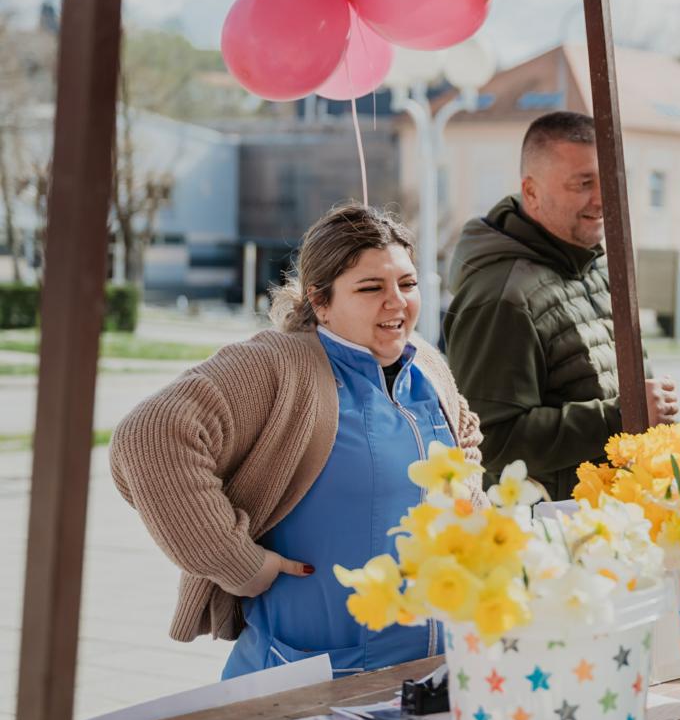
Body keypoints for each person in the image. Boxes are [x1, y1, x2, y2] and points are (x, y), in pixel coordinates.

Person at [110, 204, 484, 679]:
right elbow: (149, 436)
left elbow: (464, 436)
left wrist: (473, 520)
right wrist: (238, 562)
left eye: (407, 284)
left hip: (433, 671)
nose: (397, 302)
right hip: (313, 679)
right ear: (320, 301)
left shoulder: (425, 363)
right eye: (371, 288)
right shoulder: (280, 364)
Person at [444, 111, 677, 500]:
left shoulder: (595, 265)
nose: (602, 199)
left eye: (610, 181)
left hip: (615, 514)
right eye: (583, 184)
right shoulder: (501, 296)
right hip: (548, 528)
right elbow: (490, 440)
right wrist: (622, 415)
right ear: (531, 192)